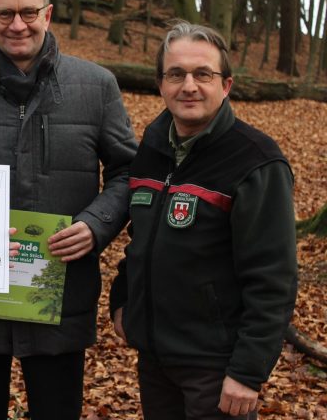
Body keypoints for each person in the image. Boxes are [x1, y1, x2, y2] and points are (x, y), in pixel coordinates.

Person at [0, 0, 138, 420]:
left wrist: (95, 224)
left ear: (48, 14)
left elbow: (128, 171)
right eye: (5, 14)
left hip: (60, 292)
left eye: (28, 12)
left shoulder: (96, 85)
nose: (18, 25)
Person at [109, 21, 298, 420]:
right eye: (176, 74)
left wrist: (247, 372)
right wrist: (123, 299)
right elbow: (141, 235)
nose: (188, 86)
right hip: (155, 358)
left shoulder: (256, 161)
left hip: (215, 366)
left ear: (226, 85)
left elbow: (273, 277)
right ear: (161, 83)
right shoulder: (154, 146)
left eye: (203, 74)